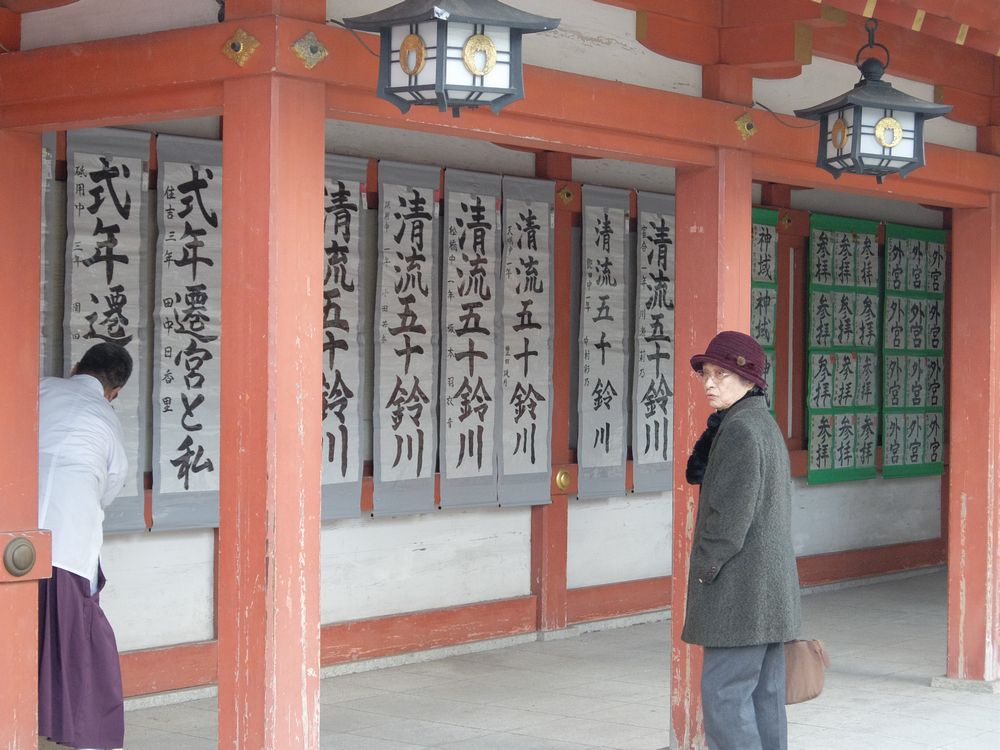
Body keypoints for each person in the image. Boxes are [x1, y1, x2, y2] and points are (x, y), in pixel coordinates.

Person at [681, 331, 801, 750]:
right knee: (764, 697)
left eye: (722, 374)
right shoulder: (761, 425)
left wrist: (705, 571)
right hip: (767, 592)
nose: (710, 383)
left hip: (740, 594)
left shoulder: (739, 431)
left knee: (724, 696)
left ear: (750, 380)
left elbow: (729, 520)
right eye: (706, 374)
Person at [37, 342, 133, 750]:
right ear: (115, 391)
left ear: (75, 366)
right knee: (77, 644)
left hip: (14, 535)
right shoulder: (107, 420)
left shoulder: (40, 388)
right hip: (70, 547)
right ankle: (88, 736)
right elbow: (110, 487)